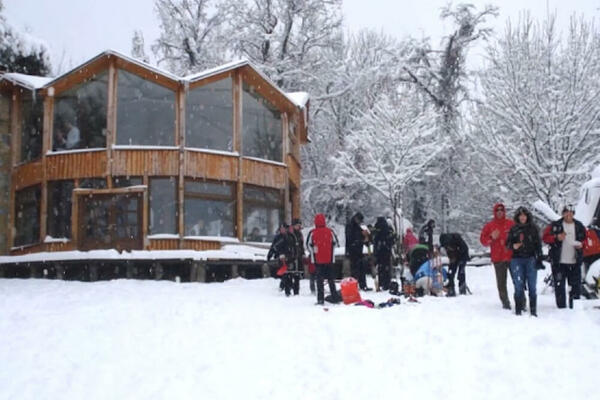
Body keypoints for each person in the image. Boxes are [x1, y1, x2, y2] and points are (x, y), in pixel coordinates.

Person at [542, 204, 586, 309]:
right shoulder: (556, 225)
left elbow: (586, 239)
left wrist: (581, 245)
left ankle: (574, 308)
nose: (568, 214)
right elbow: (545, 237)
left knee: (575, 288)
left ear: (574, 214)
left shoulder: (579, 226)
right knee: (559, 287)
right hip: (559, 262)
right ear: (563, 213)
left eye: (571, 212)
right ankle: (561, 309)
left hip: (575, 262)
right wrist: (556, 238)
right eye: (566, 212)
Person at [506, 207, 543, 316]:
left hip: (530, 259)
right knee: (518, 285)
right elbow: (507, 244)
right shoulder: (514, 229)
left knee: (532, 286)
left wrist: (539, 258)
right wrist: (513, 246)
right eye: (520, 215)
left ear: (527, 216)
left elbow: (538, 245)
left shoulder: (533, 228)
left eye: (524, 215)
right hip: (516, 259)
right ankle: (518, 310)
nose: (522, 217)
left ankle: (533, 311)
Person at [480, 203, 515, 309]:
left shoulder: (511, 224)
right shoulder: (490, 226)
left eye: (501, 210)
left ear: (504, 211)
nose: (500, 212)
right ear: (495, 212)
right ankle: (505, 303)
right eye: (497, 210)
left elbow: (519, 236)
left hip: (512, 257)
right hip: (498, 258)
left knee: (518, 281)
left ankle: (521, 301)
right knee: (501, 283)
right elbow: (483, 240)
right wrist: (491, 237)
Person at [306, 213, 340, 305]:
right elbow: (336, 243)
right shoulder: (330, 232)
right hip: (329, 260)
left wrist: (314, 251)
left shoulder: (312, 233)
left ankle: (320, 300)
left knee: (319, 281)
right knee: (331, 280)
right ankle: (335, 297)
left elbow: (308, 245)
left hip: (318, 261)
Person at [267, 223, 298, 296]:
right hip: (280, 258)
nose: (282, 230)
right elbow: (274, 247)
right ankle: (287, 288)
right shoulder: (278, 237)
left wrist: (294, 256)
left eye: (283, 228)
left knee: (289, 273)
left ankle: (289, 288)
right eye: (281, 229)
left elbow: (295, 247)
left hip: (289, 258)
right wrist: (270, 255)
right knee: (284, 274)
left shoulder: (291, 236)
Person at [345, 212, 371, 290]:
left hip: (358, 250)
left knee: (361, 268)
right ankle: (354, 286)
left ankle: (362, 285)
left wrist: (365, 238)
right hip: (353, 250)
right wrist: (360, 240)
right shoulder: (350, 226)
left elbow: (361, 236)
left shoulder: (356, 226)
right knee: (355, 269)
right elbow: (350, 239)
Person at [373, 216, 394, 291]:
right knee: (386, 268)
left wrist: (375, 252)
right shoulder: (387, 229)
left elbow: (375, 239)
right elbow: (391, 239)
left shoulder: (377, 228)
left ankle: (381, 283)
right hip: (386, 251)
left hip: (379, 251)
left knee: (380, 268)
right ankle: (386, 283)